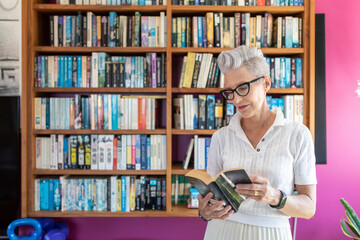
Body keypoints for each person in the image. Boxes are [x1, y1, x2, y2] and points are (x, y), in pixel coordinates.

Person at [198, 46, 317, 240]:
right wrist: (205, 212)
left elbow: (309, 208)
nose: (236, 99)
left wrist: (274, 196)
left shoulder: (297, 134)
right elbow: (211, 200)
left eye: (243, 87)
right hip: (221, 232)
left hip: (272, 233)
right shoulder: (221, 137)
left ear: (266, 83)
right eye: (229, 92)